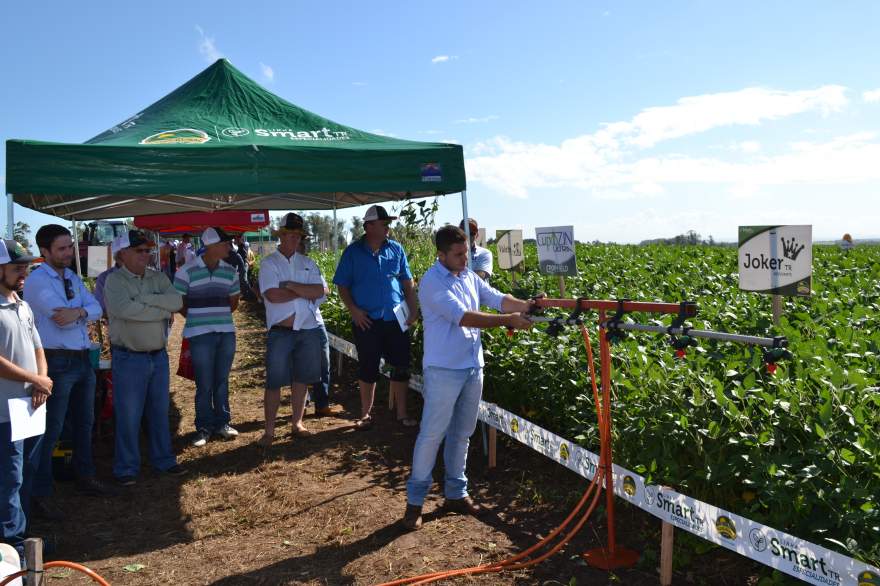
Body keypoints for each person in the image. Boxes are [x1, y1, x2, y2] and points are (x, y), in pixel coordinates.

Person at [402, 225, 534, 530]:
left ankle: (456, 494)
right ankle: (414, 504)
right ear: (442, 254)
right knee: (431, 435)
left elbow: (498, 298)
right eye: (459, 254)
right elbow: (465, 316)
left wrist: (527, 305)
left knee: (462, 433)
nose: (465, 259)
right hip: (444, 369)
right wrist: (509, 321)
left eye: (467, 253)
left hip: (473, 366)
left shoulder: (468, 275)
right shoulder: (433, 283)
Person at [24, 225, 115, 522]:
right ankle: (40, 492)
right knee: (51, 429)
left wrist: (77, 312)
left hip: (79, 358)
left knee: (84, 422)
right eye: (61, 248)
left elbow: (95, 308)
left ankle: (84, 476)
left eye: (69, 247)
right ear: (45, 251)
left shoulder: (71, 277)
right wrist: (81, 312)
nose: (67, 253)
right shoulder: (38, 281)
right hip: (57, 360)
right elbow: (59, 317)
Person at [104, 230, 184, 485]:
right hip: (129, 358)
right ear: (123, 254)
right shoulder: (114, 281)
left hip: (157, 356)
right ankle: (126, 468)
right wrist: (159, 309)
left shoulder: (157, 277)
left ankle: (164, 460)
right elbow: (122, 309)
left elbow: (176, 302)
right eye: (139, 250)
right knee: (128, 415)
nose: (145, 254)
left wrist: (146, 300)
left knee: (159, 412)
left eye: (147, 250)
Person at [332, 205, 419, 429]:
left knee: (401, 367)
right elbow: (342, 285)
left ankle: (401, 414)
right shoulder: (352, 252)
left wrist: (413, 308)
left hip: (395, 319)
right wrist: (353, 310)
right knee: (368, 367)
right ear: (369, 226)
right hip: (367, 320)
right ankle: (365, 414)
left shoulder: (396, 249)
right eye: (384, 223)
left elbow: (407, 283)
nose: (388, 227)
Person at [258, 213, 329, 446]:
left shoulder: (308, 262)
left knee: (301, 379)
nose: (294, 239)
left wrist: (290, 286)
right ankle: (269, 431)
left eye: (297, 236)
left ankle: (297, 423)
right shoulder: (269, 263)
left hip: (307, 329)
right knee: (274, 382)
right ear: (282, 236)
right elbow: (273, 295)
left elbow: (322, 291)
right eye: (290, 235)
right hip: (281, 331)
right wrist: (303, 290)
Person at [0, 239, 51, 560]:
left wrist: (41, 380)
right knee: (10, 475)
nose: (24, 273)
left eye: (26, 267)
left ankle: (22, 535)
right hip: (5, 410)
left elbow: (37, 347)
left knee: (26, 472)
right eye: (17, 267)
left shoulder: (21, 303)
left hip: (30, 406)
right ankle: (13, 546)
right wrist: (36, 380)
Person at [174, 227, 241, 447]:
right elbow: (178, 302)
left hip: (225, 332)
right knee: (204, 383)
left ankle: (221, 423)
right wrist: (199, 318)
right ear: (212, 246)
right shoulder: (186, 271)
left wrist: (206, 316)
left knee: (221, 381)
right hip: (200, 333)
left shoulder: (230, 270)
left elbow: (234, 303)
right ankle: (204, 427)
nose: (229, 247)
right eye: (226, 243)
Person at [298, 237, 336, 417]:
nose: (302, 245)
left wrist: (303, 291)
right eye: (299, 241)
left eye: (302, 241)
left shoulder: (311, 264)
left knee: (323, 363)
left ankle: (322, 403)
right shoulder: (281, 268)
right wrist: (308, 291)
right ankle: (301, 404)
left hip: (316, 320)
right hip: (294, 323)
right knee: (299, 365)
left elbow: (325, 289)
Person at [93, 233, 126, 315]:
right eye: (138, 251)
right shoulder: (104, 278)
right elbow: (101, 308)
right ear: (120, 255)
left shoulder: (147, 274)